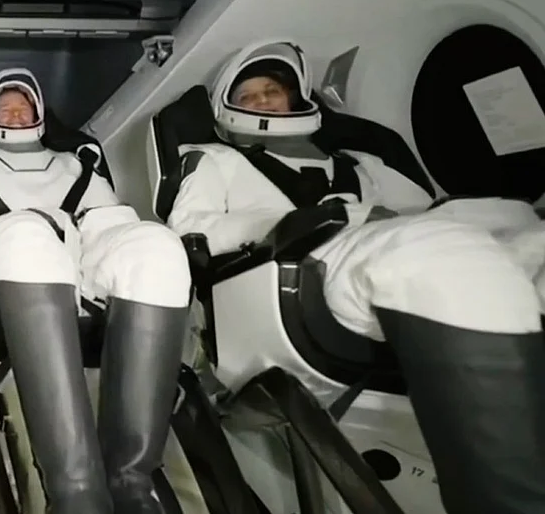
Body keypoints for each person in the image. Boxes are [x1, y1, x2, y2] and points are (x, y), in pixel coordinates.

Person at [166, 41, 545, 514]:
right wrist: (315, 218)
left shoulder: (361, 163)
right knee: (439, 252)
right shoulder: (213, 159)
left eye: (273, 91)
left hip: (387, 248)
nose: (263, 101)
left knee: (518, 228)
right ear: (228, 108)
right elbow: (190, 231)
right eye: (248, 96)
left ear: (297, 98)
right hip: (297, 268)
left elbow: (429, 213)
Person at [0, 68, 191, 514]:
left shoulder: (75, 164)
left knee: (157, 245)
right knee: (29, 235)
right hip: (6, 271)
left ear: (39, 113)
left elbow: (112, 221)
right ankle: (76, 494)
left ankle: (131, 481)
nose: (15, 113)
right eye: (4, 107)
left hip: (81, 260)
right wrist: (5, 229)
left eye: (23, 106)